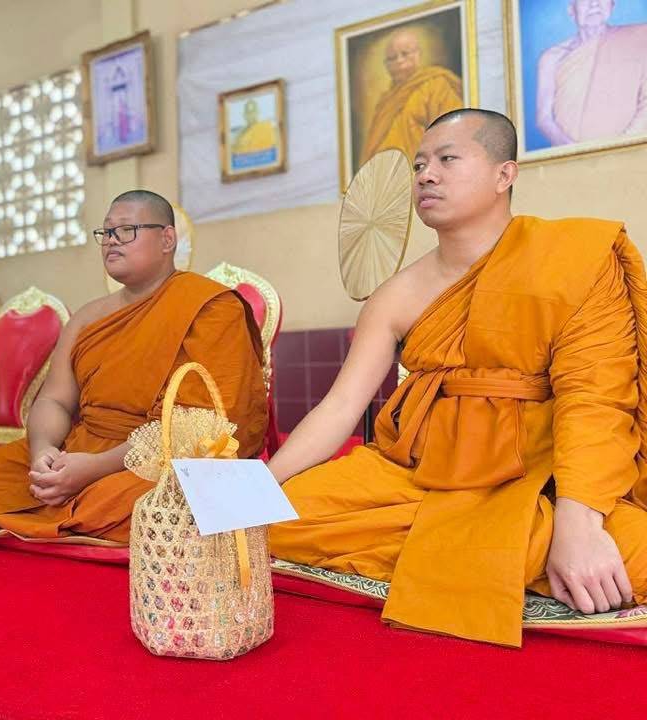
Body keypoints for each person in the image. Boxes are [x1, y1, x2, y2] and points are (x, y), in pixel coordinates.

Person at [269, 108, 647, 647]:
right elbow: (340, 407)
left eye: (447, 159)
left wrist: (578, 525)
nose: (427, 175)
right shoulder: (397, 295)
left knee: (633, 555)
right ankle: (497, 556)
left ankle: (499, 547)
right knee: (281, 518)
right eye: (420, 165)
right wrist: (263, 487)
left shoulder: (574, 259)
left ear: (504, 175)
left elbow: (595, 400)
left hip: (539, 479)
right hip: (420, 474)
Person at [0, 190, 268, 552]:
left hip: (156, 461)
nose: (111, 241)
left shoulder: (210, 307)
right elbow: (55, 401)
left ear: (167, 239)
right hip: (80, 449)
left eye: (126, 230)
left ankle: (63, 513)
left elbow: (202, 427)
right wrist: (43, 453)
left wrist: (94, 468)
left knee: (151, 501)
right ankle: (63, 508)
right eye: (106, 232)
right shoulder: (88, 317)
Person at [536, 0, 647, 147]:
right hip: (570, 154)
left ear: (612, 5)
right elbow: (544, 119)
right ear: (571, 10)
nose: (594, 3)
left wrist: (618, 149)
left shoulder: (638, 39)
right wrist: (576, 151)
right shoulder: (552, 58)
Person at [359, 28, 463, 171]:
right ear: (386, 65)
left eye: (405, 54)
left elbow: (453, 136)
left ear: (418, 54)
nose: (399, 61)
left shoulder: (436, 85)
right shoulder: (385, 102)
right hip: (385, 181)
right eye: (392, 58)